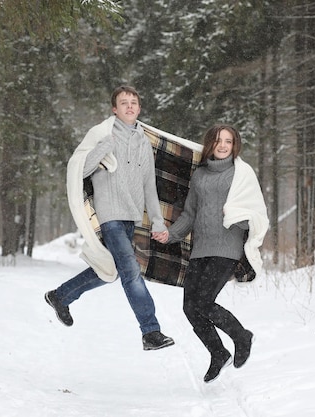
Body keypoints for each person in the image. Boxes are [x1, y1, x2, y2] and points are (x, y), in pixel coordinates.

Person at [44, 86, 175, 351]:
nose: (129, 107)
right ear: (114, 109)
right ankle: (151, 331)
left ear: (139, 108)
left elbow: (150, 185)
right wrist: (104, 147)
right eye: (123, 103)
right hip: (110, 213)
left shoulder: (144, 143)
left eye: (133, 103)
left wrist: (159, 221)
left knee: (112, 271)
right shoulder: (101, 134)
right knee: (130, 271)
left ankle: (60, 296)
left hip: (131, 215)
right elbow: (80, 168)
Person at [152, 124, 269, 382]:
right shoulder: (200, 175)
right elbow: (190, 214)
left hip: (227, 247)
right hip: (201, 249)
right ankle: (218, 353)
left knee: (204, 302)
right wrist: (170, 235)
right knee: (190, 308)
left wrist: (237, 219)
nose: (223, 145)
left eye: (228, 141)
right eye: (218, 141)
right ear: (210, 144)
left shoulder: (242, 173)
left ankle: (241, 335)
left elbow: (256, 213)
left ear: (234, 144)